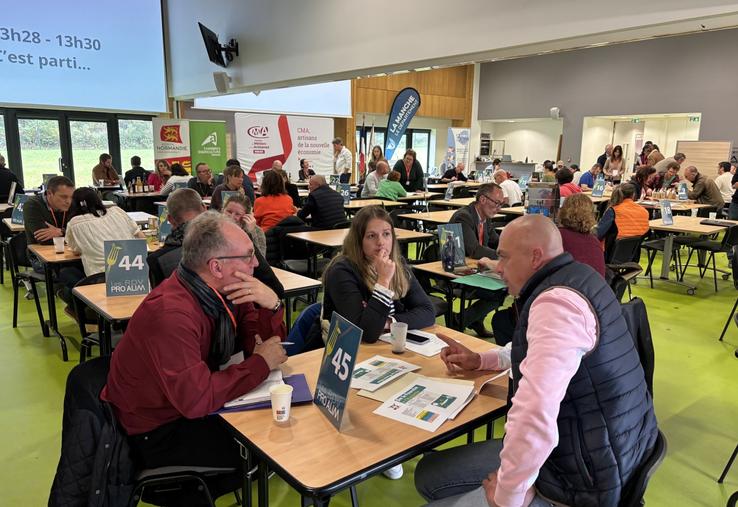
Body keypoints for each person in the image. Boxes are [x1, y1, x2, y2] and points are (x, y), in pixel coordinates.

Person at [414, 215, 657, 507]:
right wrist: (481, 359)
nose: (499, 268)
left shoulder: (557, 306)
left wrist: (507, 497)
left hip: (584, 479)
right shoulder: (578, 277)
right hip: (607, 450)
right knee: (428, 474)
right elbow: (538, 351)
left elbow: (534, 413)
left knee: (433, 489)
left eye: (503, 257)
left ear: (536, 257)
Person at [102, 212, 288, 504]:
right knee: (271, 443)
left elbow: (260, 344)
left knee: (279, 425)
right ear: (216, 266)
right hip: (158, 431)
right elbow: (196, 400)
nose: (255, 264)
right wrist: (261, 363)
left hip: (187, 404)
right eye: (249, 255)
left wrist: (272, 304)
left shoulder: (223, 290)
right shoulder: (171, 314)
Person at [146, 189, 283, 297]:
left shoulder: (158, 260)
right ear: (204, 208)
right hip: (236, 321)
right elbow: (274, 287)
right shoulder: (236, 242)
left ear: (170, 219)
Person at [450, 183, 507, 338]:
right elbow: (473, 249)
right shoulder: (464, 216)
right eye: (497, 203)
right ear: (482, 199)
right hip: (456, 270)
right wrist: (503, 258)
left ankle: (472, 319)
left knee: (505, 287)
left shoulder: (485, 218)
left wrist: (512, 249)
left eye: (501, 204)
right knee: (497, 292)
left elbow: (496, 241)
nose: (499, 208)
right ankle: (460, 319)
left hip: (477, 268)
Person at [66, 187, 145, 279]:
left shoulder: (74, 223)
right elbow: (141, 237)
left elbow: (76, 250)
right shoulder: (117, 211)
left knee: (66, 273)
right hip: (134, 270)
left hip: (101, 276)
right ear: (98, 199)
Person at [557, 193, 605, 276]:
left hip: (564, 286)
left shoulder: (557, 237)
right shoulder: (595, 242)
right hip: (595, 287)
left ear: (562, 211)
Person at [24, 175, 74, 246]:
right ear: (49, 193)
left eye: (71, 197)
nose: (69, 201)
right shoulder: (32, 205)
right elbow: (44, 240)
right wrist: (69, 234)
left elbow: (84, 234)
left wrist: (61, 232)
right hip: (40, 254)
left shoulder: (73, 204)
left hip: (69, 251)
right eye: (63, 197)